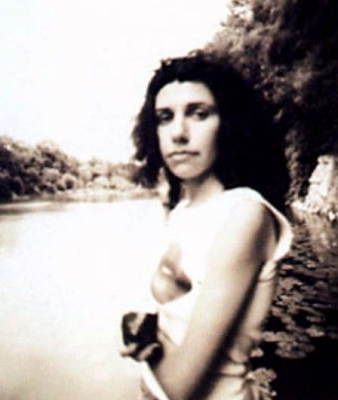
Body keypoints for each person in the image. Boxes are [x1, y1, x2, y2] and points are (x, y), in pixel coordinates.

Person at [121, 52, 293, 400]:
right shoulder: (183, 211)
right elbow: (181, 319)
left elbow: (181, 387)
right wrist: (147, 334)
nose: (178, 133)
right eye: (165, 118)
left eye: (198, 114)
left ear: (228, 123)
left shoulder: (245, 215)